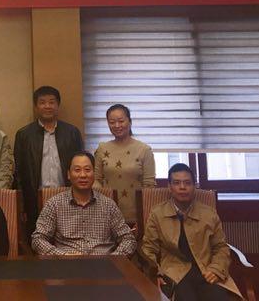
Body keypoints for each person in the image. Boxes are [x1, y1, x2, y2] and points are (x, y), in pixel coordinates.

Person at [140, 164, 243, 301]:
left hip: (206, 270)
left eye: (187, 183)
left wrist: (216, 269)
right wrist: (155, 274)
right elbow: (148, 249)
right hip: (175, 272)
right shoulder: (157, 214)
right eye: (177, 183)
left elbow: (221, 247)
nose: (182, 187)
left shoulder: (209, 214)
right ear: (169, 187)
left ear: (194, 186)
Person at [32, 152, 136, 256]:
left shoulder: (108, 205)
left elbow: (128, 239)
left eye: (87, 170)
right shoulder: (54, 204)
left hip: (104, 262)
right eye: (77, 170)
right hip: (67, 263)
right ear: (68, 174)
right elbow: (38, 239)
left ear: (94, 174)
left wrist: (113, 258)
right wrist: (63, 255)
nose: (83, 175)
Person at [14, 85, 84, 234]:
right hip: (36, 200)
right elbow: (19, 173)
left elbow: (81, 167)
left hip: (67, 197)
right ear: (36, 106)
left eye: (52, 102)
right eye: (42, 102)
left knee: (69, 238)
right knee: (39, 239)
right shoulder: (24, 135)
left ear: (58, 105)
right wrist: (22, 206)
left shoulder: (72, 133)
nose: (47, 106)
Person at [93, 103, 156, 223]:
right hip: (106, 214)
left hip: (136, 215)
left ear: (130, 122)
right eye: (112, 122)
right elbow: (97, 179)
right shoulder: (102, 148)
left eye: (121, 121)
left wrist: (145, 217)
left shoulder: (144, 150)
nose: (117, 125)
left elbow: (149, 186)